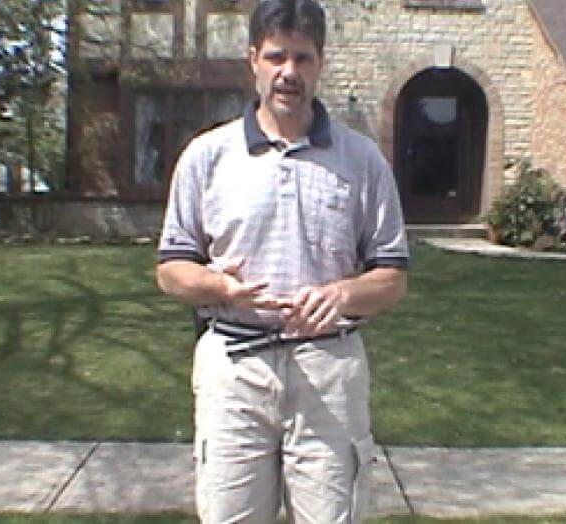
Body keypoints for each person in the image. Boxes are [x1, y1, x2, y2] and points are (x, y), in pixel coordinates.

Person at [155, 0, 408, 521]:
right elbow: (170, 271)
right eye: (276, 57)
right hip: (234, 368)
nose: (289, 72)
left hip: (329, 369)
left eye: (303, 58)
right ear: (253, 59)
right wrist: (220, 288)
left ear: (320, 63)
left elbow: (392, 278)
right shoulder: (207, 156)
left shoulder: (362, 160)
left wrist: (342, 294)